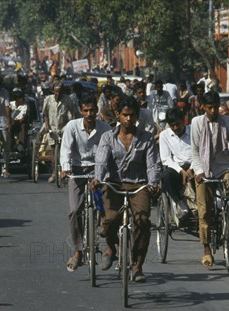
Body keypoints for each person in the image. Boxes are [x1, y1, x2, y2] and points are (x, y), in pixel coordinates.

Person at [92, 95, 161, 283]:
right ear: (118, 115)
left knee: (143, 221)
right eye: (125, 115)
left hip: (139, 185)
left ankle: (137, 266)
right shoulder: (108, 137)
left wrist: (153, 183)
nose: (128, 119)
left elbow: (152, 165)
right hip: (113, 184)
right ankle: (112, 247)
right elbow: (101, 161)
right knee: (110, 220)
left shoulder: (146, 138)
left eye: (132, 115)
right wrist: (98, 179)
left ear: (137, 115)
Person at [191, 91, 229, 268]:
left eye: (216, 107)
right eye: (210, 108)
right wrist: (199, 170)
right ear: (203, 107)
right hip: (203, 168)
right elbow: (194, 151)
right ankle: (207, 249)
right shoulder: (196, 123)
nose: (213, 110)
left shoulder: (227, 122)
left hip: (223, 167)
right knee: (204, 210)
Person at [60, 95, 112, 272]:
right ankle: (78, 250)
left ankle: (108, 242)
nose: (89, 114)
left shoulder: (105, 128)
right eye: (86, 110)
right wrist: (65, 168)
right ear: (81, 111)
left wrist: (104, 172)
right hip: (78, 171)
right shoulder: (72, 126)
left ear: (97, 111)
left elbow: (109, 152)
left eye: (92, 110)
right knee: (75, 211)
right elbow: (66, 149)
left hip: (98, 171)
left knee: (104, 209)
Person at [159, 108, 193, 219]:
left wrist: (191, 168)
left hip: (194, 164)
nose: (175, 128)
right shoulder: (164, 135)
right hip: (177, 166)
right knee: (166, 176)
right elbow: (166, 159)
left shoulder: (194, 131)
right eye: (172, 125)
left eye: (178, 124)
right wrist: (181, 170)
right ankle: (181, 205)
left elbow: (200, 153)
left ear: (183, 120)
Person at [40, 82, 76, 182]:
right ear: (53, 91)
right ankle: (54, 172)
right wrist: (47, 125)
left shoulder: (67, 99)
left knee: (65, 150)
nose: (58, 94)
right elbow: (45, 114)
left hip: (64, 128)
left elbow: (73, 112)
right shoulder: (48, 99)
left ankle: (65, 171)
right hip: (52, 128)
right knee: (53, 152)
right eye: (56, 91)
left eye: (60, 91)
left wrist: (72, 124)